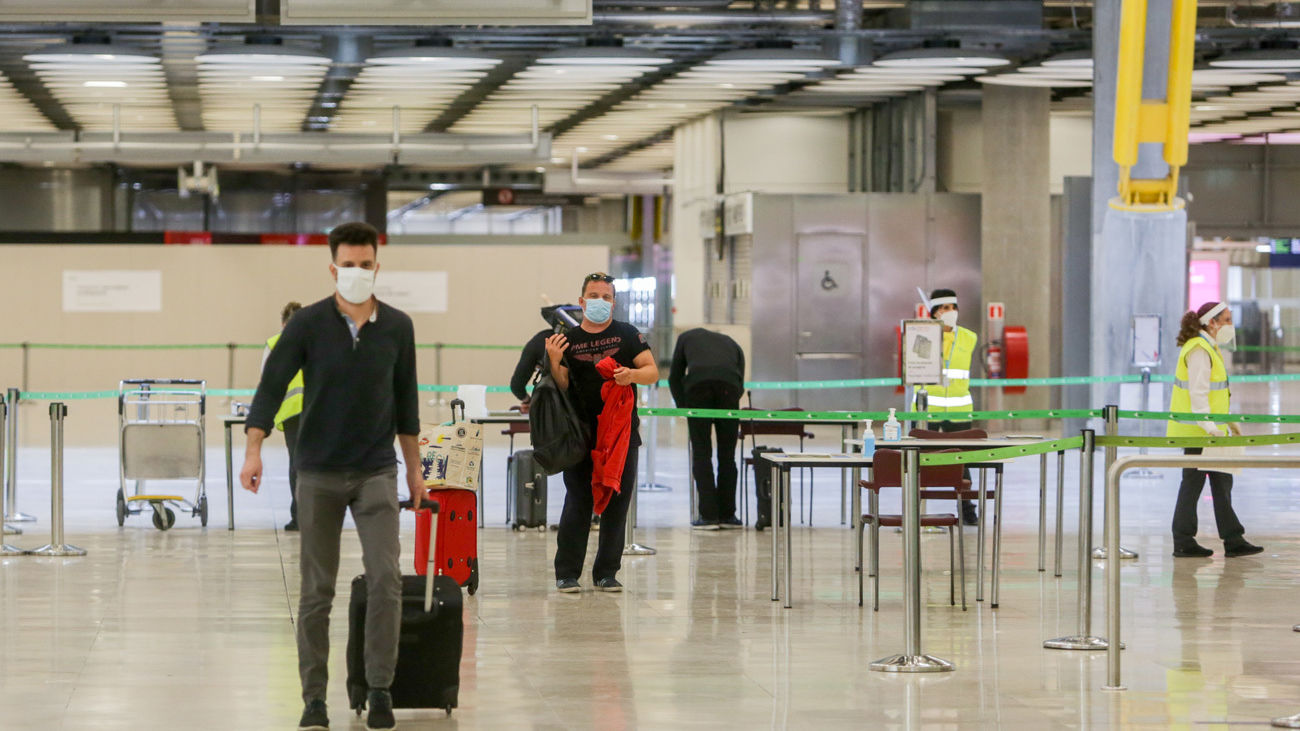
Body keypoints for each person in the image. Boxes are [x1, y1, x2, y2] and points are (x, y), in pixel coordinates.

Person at [240, 221, 423, 731]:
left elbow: (406, 403)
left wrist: (414, 472)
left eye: (366, 265)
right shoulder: (308, 325)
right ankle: (314, 700)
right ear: (332, 267)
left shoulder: (398, 327)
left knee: (386, 579)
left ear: (377, 267)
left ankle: (380, 688)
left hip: (375, 473)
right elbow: (270, 387)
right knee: (317, 591)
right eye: (349, 265)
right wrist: (253, 451)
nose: (358, 273)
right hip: (317, 472)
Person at [545, 272, 659, 593]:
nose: (600, 302)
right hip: (581, 436)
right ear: (582, 302)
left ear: (613, 302)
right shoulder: (568, 339)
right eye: (593, 296)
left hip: (621, 437)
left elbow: (651, 372)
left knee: (616, 505)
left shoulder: (626, 334)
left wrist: (630, 375)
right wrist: (555, 360)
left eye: (606, 297)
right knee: (578, 502)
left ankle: (606, 572)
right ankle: (567, 572)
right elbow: (563, 384)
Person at [1167, 301, 1262, 559]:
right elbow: (1198, 395)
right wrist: (1210, 427)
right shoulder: (1199, 349)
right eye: (1227, 320)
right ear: (1212, 322)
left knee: (1222, 481)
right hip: (1200, 432)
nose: (1230, 325)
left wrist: (1227, 420)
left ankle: (1232, 539)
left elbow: (1213, 393)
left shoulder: (1209, 346)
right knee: (1194, 484)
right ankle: (1184, 540)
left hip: (1210, 430)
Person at [914, 288, 979, 525]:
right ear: (934, 313)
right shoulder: (922, 337)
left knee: (962, 462)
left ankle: (967, 510)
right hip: (926, 409)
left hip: (959, 409)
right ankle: (915, 508)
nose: (950, 313)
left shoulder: (969, 338)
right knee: (919, 461)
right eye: (944, 309)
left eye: (953, 308)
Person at [669, 328, 745, 530]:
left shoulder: (685, 338)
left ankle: (708, 516)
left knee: (702, 453)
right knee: (727, 455)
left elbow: (674, 377)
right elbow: (740, 380)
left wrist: (684, 408)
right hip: (729, 387)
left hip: (698, 387)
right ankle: (728, 515)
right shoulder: (730, 340)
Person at [262, 301, 305, 532]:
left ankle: (300, 517)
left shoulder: (274, 344)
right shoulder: (317, 340)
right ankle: (306, 516)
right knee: (309, 465)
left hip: (295, 414)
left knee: (298, 465)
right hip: (311, 412)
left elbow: (266, 382)